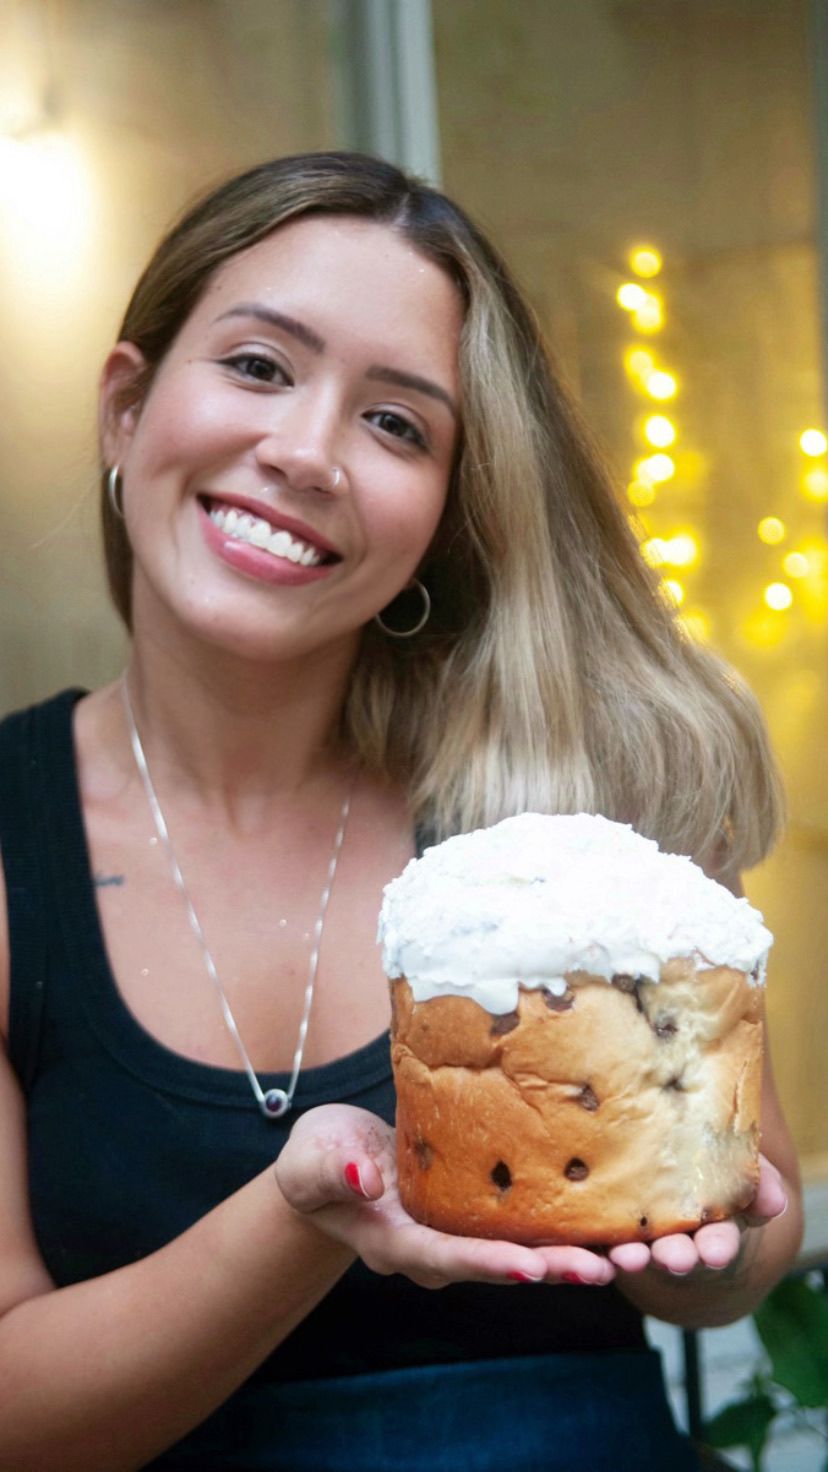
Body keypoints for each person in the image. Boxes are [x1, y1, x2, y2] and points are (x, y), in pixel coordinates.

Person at [0, 151, 802, 1472]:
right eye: (259, 366)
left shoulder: (566, 814)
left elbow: (732, 1251)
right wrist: (302, 1214)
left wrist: (705, 1251)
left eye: (397, 425)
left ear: (441, 514)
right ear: (126, 410)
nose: (306, 452)